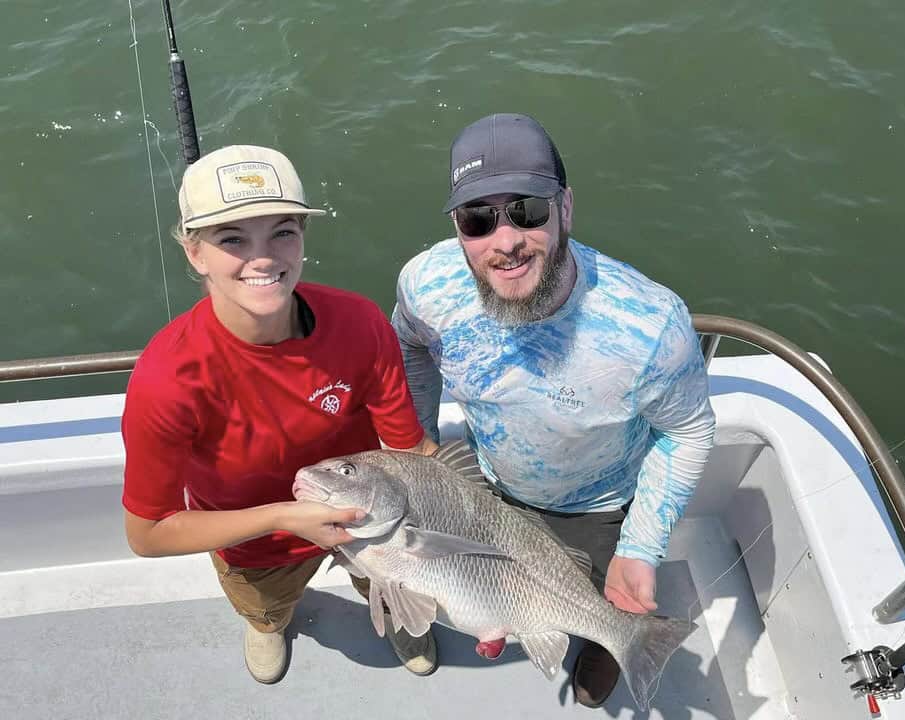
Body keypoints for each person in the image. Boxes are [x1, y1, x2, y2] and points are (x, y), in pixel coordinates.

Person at [392, 114, 716, 706]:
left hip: (596, 504)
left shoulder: (650, 325)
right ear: (460, 229)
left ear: (565, 207)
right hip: (483, 489)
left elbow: (688, 430)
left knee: (605, 601)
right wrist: (420, 448)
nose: (505, 240)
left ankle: (610, 639)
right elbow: (409, 346)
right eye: (478, 219)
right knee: (482, 607)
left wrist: (639, 548)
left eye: (527, 211)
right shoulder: (426, 286)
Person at [121, 145, 439, 685]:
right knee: (267, 605)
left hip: (376, 524)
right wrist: (282, 518)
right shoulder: (166, 380)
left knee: (396, 588)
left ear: (302, 239)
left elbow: (410, 451)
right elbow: (148, 533)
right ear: (195, 254)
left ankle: (402, 612)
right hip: (256, 542)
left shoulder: (360, 322)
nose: (263, 257)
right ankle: (267, 620)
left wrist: (492, 519)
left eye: (282, 232)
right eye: (232, 239)